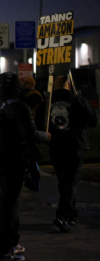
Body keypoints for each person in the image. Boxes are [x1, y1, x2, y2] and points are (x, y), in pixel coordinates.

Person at [0, 73, 50, 261]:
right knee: (9, 206)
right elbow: (30, 134)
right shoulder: (19, 107)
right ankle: (2, 250)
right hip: (13, 162)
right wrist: (47, 137)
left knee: (11, 203)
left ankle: (13, 242)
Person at [48, 75, 98, 232]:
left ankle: (71, 213)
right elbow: (94, 120)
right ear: (68, 85)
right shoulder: (78, 100)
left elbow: (38, 124)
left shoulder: (47, 103)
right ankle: (63, 216)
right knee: (70, 182)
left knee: (65, 181)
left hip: (55, 146)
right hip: (75, 146)